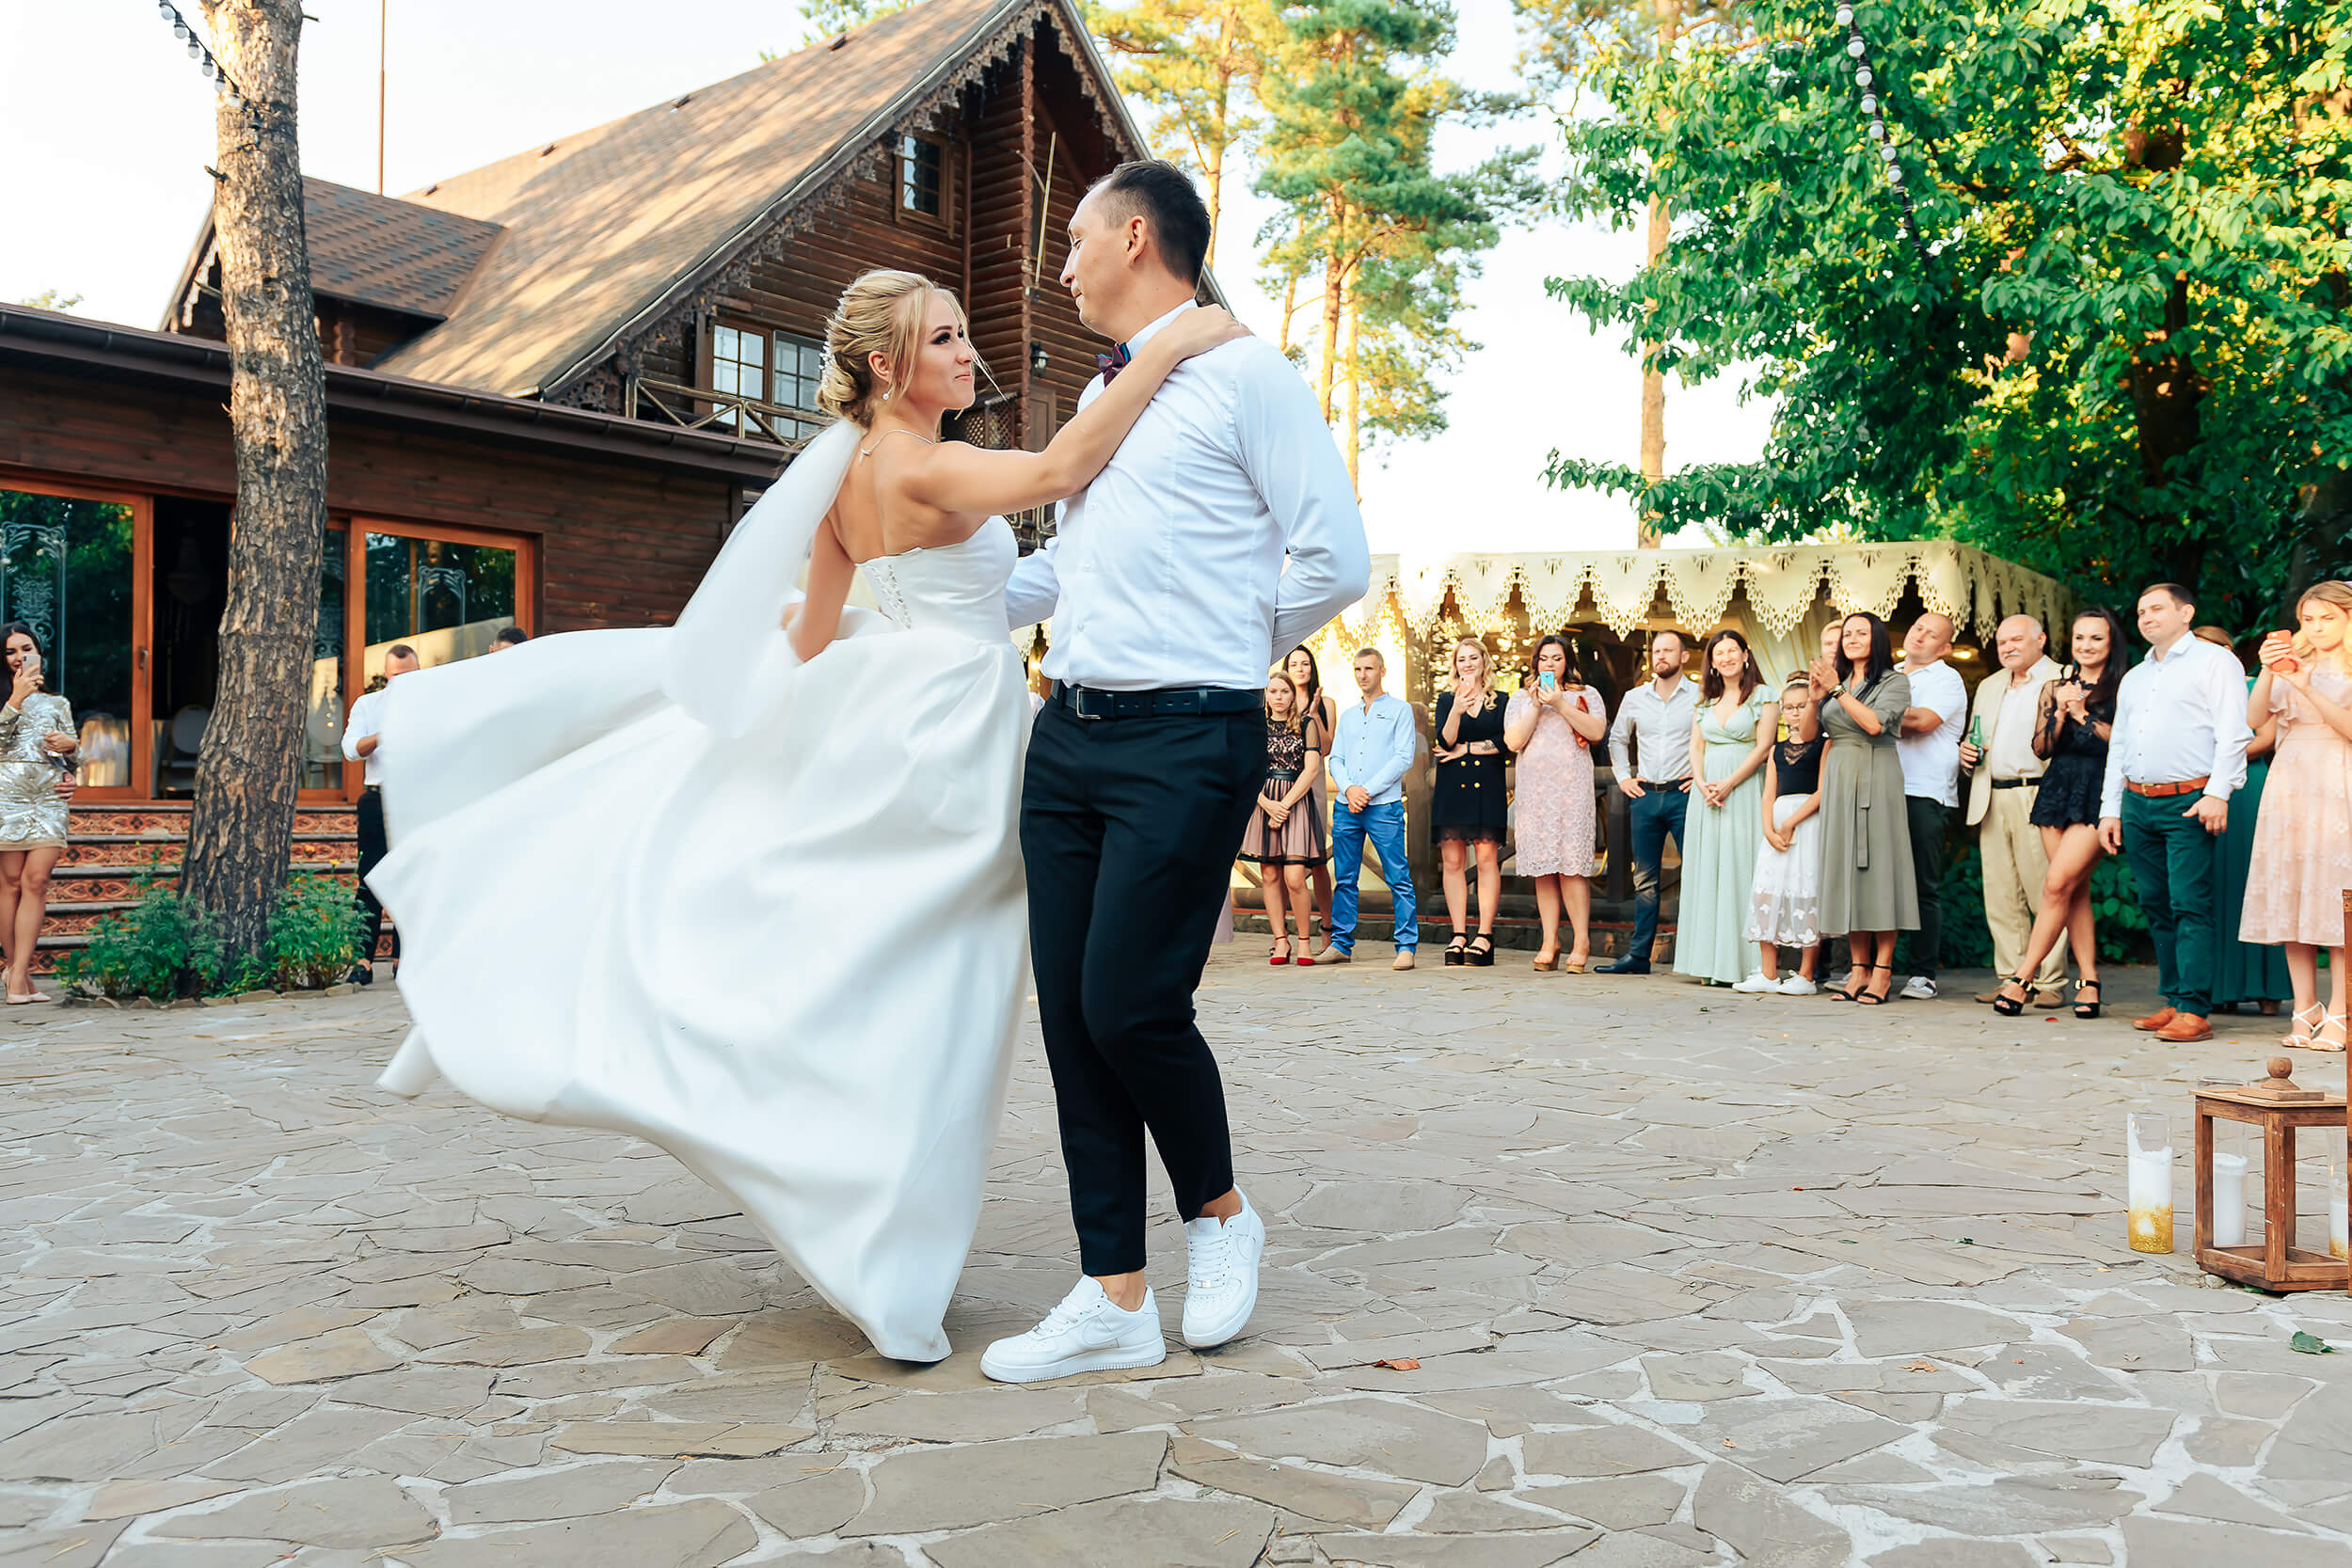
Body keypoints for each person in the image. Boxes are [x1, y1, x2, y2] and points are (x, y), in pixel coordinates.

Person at [367, 259, 1267, 1370]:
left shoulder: (847, 471)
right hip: (957, 734)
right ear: (887, 364)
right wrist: (1172, 343)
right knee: (959, 995)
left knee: (915, 986)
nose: (969, 354)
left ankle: (915, 1229)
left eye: (963, 332)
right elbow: (1062, 466)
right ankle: (1019, 1239)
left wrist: (721, 721)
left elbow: (808, 635)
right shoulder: (926, 462)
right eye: (943, 338)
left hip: (901, 719)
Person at [993, 162, 1369, 1383]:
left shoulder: (1249, 374)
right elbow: (1072, 572)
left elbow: (1337, 556)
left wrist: (1223, 648)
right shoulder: (1101, 392)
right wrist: (928, 604)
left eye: (1074, 239)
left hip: (1188, 734)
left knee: (1129, 1001)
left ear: (1135, 237)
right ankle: (1111, 1291)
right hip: (1068, 736)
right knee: (1070, 1014)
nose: (1060, 265)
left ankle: (1219, 1212)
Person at [2097, 582, 2253, 1044]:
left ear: (2186, 613)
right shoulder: (2134, 676)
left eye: (2157, 609)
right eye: (2141, 611)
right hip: (2136, 800)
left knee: (2189, 903)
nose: (2146, 617)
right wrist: (2110, 810)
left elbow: (2234, 732)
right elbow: (2119, 745)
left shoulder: (2215, 661)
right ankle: (2173, 998)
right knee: (2155, 902)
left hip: (2190, 800)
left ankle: (2195, 1008)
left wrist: (2219, 792)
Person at [1994, 608, 2127, 1019]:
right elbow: (2041, 748)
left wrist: (2083, 714)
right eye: (2079, 638)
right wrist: (2059, 712)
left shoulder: (2125, 686)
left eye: (2096, 638)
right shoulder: (2055, 686)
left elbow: (2123, 743)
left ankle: (2023, 977)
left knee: (2055, 885)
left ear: (2111, 643)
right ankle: (2089, 981)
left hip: (2097, 791)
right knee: (2073, 889)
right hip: (2057, 789)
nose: (2086, 646)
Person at [2240, 582, 2352, 1051]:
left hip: (2340, 779)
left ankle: (2342, 1010)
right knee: (2293, 895)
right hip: (2289, 782)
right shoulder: (2292, 660)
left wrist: (2307, 687)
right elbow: (2254, 721)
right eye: (2308, 619)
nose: (2316, 627)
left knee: (2336, 899)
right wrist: (2269, 671)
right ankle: (2304, 1007)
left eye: (2327, 618)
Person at [1958, 614, 2066, 1006]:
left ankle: (2050, 981)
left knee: (2045, 889)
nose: (2007, 648)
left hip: (2039, 793)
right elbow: (1977, 736)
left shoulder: (2062, 677)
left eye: (2017, 639)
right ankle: (2011, 977)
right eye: (2002, 642)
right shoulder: (1990, 685)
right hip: (1991, 794)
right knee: (2001, 895)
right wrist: (1965, 753)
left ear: (2041, 639)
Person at [1811, 611, 1917, 1004]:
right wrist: (1815, 698)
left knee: (1880, 871)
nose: (1852, 639)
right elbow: (1812, 734)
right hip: (1840, 777)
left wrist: (1836, 690)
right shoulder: (1836, 683)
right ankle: (1858, 970)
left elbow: (1873, 725)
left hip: (1877, 774)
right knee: (1848, 873)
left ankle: (1883, 970)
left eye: (1861, 633)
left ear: (1878, 639)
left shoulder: (1894, 681)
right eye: (1847, 634)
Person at [1677, 628, 1777, 986]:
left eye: (1732, 650)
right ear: (1712, 662)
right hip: (1706, 794)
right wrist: (1702, 782)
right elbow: (1696, 746)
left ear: (1746, 655)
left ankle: (1746, 963)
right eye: (1719, 653)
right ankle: (1707, 962)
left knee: (1741, 868)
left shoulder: (1764, 695)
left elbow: (1763, 747)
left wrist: (1730, 783)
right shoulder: (1704, 701)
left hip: (1744, 789)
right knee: (1707, 870)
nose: (1726, 657)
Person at [2198, 626, 2289, 1017]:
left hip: (2248, 788)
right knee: (2214, 884)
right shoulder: (2191, 690)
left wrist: (2219, 762)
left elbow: (2266, 737)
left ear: (2231, 652)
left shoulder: (2253, 685)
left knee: (2253, 879)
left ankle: (2267, 988)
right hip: (2202, 788)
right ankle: (2220, 988)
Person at [1504, 634, 1607, 972]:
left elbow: (1596, 732)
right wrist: (1537, 705)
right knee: (1544, 869)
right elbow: (1514, 741)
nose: (1550, 664)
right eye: (1544, 658)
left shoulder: (1586, 694)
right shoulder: (1521, 698)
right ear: (1535, 662)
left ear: (1567, 662)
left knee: (1572, 867)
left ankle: (1581, 940)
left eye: (1557, 658)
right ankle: (1550, 940)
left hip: (1571, 790)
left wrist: (1561, 703)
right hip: (1535, 792)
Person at [1602, 629, 1697, 974]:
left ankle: (1696, 955)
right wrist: (1623, 777)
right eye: (1656, 651)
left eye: (1668, 650)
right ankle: (1639, 956)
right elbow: (1617, 738)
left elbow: (1712, 740)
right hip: (1645, 796)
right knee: (1644, 880)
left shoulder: (1700, 696)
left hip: (1684, 796)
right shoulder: (1635, 697)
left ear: (1684, 657)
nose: (1661, 656)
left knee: (1696, 874)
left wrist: (1701, 776)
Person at [1326, 649, 1420, 973]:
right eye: (1357, 669)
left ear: (1382, 671)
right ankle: (1340, 944)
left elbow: (1403, 756)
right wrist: (1349, 789)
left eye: (1368, 668)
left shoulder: (1400, 710)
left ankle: (1406, 946)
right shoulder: (1348, 716)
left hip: (1383, 807)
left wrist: (1366, 790)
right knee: (1344, 878)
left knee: (1398, 877)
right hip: (1346, 806)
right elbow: (1336, 758)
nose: (1362, 674)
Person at [0, 624, 78, 1005]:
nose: (19, 657)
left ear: (39, 653)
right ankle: (19, 973)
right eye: (11, 651)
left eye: (26, 649)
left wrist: (72, 748)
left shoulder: (58, 703)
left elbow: (72, 758)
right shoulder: (5, 700)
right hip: (6, 798)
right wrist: (15, 699)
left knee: (37, 881)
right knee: (10, 884)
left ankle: (15, 974)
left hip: (48, 800)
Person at [1893, 611, 1966, 999]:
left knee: (1923, 884)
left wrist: (1867, 711)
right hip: (1883, 788)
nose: (1920, 636)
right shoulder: (1888, 673)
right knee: (1880, 880)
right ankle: (1872, 969)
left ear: (1945, 648)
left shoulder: (1946, 679)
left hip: (1925, 790)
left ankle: (1923, 974)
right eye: (1917, 627)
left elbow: (1921, 722)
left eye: (1931, 634)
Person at [1740, 674, 1830, 993]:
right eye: (1789, 707)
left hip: (1807, 824)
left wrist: (1792, 821)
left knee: (1805, 889)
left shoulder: (1824, 744)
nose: (1795, 713)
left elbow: (1823, 791)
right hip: (1777, 828)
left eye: (1802, 706)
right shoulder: (1776, 750)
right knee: (1768, 891)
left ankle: (1806, 975)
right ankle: (1768, 973)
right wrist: (1768, 827)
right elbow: (1768, 794)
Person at [341, 642, 421, 986]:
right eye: (395, 676)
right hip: (376, 798)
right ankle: (364, 961)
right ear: (386, 675)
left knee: (411, 878)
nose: (402, 682)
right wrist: (384, 733)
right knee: (370, 879)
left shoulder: (432, 705)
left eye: (409, 675)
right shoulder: (367, 705)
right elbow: (350, 750)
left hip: (417, 799)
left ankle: (403, 959)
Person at [1239, 670, 1327, 966]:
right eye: (1273, 691)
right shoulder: (1256, 726)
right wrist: (1267, 805)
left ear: (1292, 695)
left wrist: (1284, 806)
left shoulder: (1306, 724)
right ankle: (1280, 940)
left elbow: (1311, 769)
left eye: (1284, 691)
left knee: (1295, 877)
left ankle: (1304, 941)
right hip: (1263, 800)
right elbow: (1245, 770)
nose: (1278, 697)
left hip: (1296, 801)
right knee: (1270, 874)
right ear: (1266, 695)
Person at [1432, 637, 1508, 966]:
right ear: (1455, 665)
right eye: (1461, 659)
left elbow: (1506, 742)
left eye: (1473, 657)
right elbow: (1444, 740)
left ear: (1484, 661)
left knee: (1487, 859)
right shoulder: (1446, 699)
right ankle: (1459, 933)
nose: (1467, 664)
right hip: (1452, 786)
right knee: (1453, 861)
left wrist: (1466, 749)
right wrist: (1457, 710)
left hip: (1488, 784)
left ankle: (1485, 935)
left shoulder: (1501, 700)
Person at [1285, 644, 1339, 953]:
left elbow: (1327, 747)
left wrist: (1315, 712)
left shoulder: (1326, 703)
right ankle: (1284, 934)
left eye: (1305, 663)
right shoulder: (1278, 698)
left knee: (1317, 861)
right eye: (1294, 664)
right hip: (1282, 785)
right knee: (1281, 861)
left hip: (1313, 784)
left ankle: (1327, 926)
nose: (1300, 669)